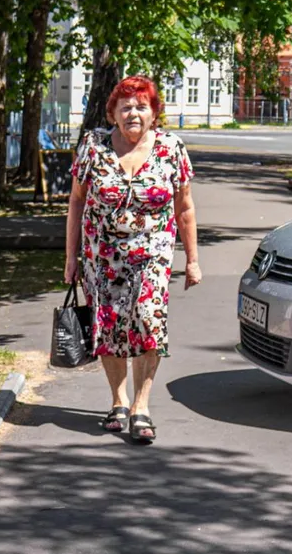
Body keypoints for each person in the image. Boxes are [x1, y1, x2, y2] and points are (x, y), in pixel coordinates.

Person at [64, 75, 201, 444]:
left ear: (154, 113)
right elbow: (76, 201)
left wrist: (192, 259)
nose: (133, 114)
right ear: (113, 113)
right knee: (108, 329)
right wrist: (70, 256)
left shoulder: (171, 148)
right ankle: (118, 401)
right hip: (102, 256)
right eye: (125, 107)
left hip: (152, 256)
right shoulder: (94, 147)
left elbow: (184, 207)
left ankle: (142, 406)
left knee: (147, 321)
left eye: (142, 106)